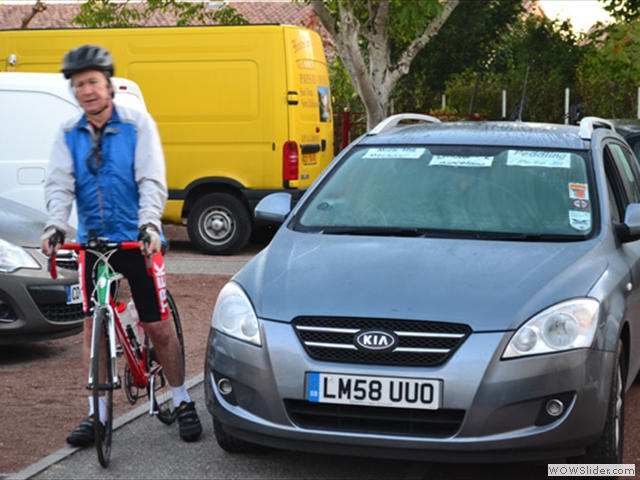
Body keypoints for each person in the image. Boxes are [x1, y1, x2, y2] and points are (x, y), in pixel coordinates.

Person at [40, 44, 202, 446]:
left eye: (93, 82)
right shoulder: (68, 134)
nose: (87, 91)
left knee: (157, 327)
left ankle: (182, 400)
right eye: (79, 85)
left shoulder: (137, 125)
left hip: (138, 242)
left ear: (108, 85)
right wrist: (56, 226)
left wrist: (149, 225)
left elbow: (151, 178)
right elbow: (59, 185)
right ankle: (96, 416)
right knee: (92, 329)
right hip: (93, 246)